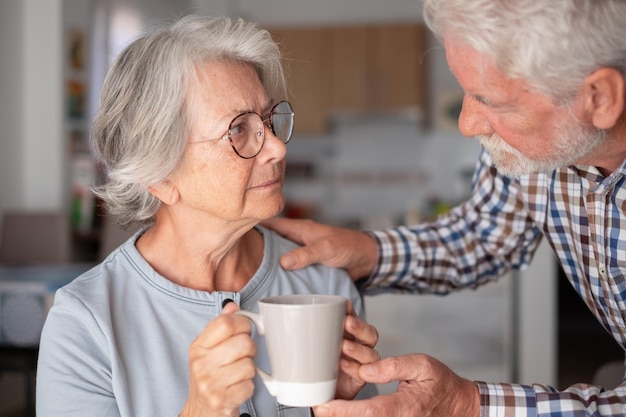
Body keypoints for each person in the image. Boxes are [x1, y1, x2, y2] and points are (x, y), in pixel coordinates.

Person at [263, 1, 626, 416]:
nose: (468, 123)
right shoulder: (538, 149)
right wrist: (368, 252)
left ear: (599, 98)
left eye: (490, 100)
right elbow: (486, 233)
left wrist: (466, 404)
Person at [36, 15, 379, 417]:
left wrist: (333, 406)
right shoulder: (85, 324)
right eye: (238, 130)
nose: (277, 149)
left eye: (269, 121)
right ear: (160, 176)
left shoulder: (326, 286)